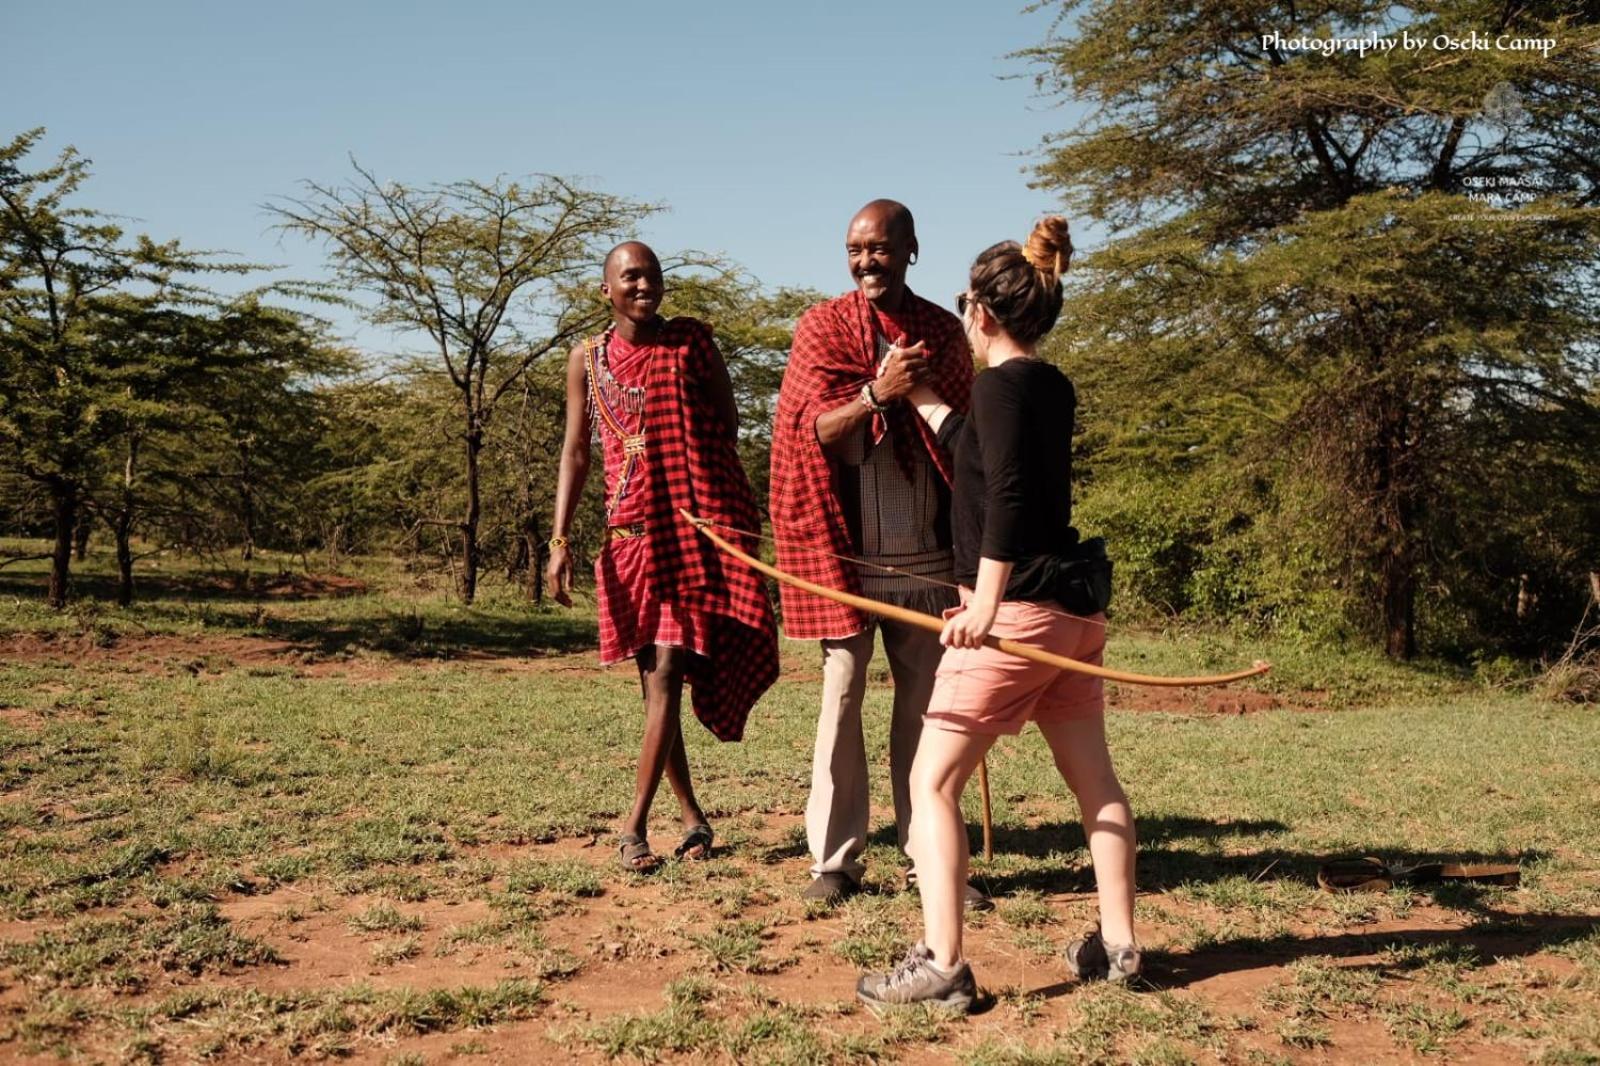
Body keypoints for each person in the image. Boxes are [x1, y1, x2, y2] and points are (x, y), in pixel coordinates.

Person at [856, 217, 1139, 1012]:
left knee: (930, 784)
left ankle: (943, 965)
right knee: (1095, 783)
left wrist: (983, 602)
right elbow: (982, 455)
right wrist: (919, 397)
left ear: (980, 312)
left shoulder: (1002, 387)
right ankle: (1118, 946)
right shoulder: (1042, 387)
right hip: (1071, 616)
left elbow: (1007, 497)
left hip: (1017, 614)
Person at [769, 200, 979, 903]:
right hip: (846, 558)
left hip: (928, 558)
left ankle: (930, 857)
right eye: (855, 250)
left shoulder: (944, 335)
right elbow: (808, 432)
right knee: (842, 701)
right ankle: (835, 860)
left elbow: (963, 443)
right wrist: (874, 394)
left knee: (928, 714)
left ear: (912, 250)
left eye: (881, 249)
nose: (867, 262)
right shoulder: (821, 328)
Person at [548, 241, 779, 872]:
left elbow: (727, 425)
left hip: (686, 529)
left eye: (651, 275)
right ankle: (694, 817)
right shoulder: (586, 361)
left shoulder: (692, 345)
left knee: (671, 669)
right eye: (630, 277)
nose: (644, 285)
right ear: (607, 291)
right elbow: (576, 452)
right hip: (627, 538)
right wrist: (560, 539)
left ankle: (632, 828)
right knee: (655, 686)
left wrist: (684, 465)